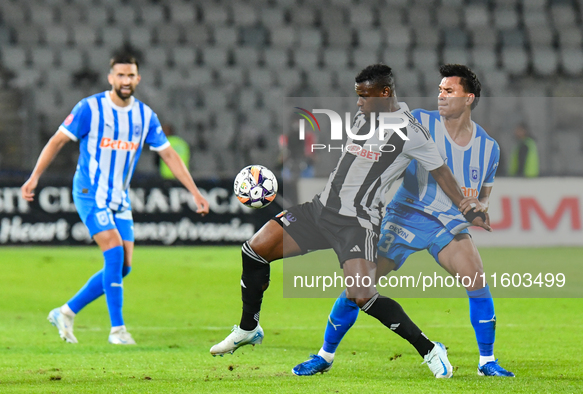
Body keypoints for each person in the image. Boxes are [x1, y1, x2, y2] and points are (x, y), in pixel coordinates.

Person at [210, 64, 491, 378]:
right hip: (318, 211)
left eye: (364, 96)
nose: (358, 102)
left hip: (357, 223)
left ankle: (429, 348)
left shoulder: (412, 133)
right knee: (254, 250)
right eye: (357, 96)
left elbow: (442, 174)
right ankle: (249, 328)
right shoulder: (364, 116)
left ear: (385, 93)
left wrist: (467, 205)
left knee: (361, 295)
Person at [293, 64, 514, 377]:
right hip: (406, 215)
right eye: (439, 90)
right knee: (359, 287)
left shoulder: (489, 148)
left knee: (476, 278)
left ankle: (487, 362)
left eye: (449, 91)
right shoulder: (418, 121)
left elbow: (482, 197)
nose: (440, 95)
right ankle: (324, 356)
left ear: (469, 98)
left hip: (447, 225)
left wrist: (479, 211)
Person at [21, 53, 209, 345]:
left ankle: (66, 311)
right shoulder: (89, 108)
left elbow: (169, 154)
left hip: (119, 197)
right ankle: (118, 330)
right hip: (89, 193)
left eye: (130, 75)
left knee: (124, 266)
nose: (125, 80)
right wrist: (34, 177)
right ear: (110, 77)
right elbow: (57, 140)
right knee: (114, 249)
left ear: (138, 78)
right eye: (120, 75)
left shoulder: (145, 116)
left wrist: (194, 191)